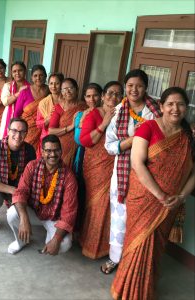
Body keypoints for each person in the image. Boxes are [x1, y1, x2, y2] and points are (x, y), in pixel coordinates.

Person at [111, 87, 195, 300]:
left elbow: (194, 172)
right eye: (170, 104)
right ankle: (126, 290)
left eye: (181, 104)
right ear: (161, 106)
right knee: (137, 244)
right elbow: (137, 164)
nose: (175, 109)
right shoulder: (148, 127)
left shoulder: (189, 137)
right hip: (144, 198)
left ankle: (144, 290)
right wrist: (160, 195)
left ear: (187, 108)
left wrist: (182, 197)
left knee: (156, 247)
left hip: (171, 204)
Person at [101, 69, 161, 274]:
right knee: (119, 216)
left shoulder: (155, 111)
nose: (134, 90)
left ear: (146, 88)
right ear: (125, 87)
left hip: (150, 172)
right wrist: (132, 141)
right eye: (130, 86)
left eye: (139, 86)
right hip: (123, 173)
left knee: (142, 217)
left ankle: (136, 261)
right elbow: (109, 146)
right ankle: (115, 258)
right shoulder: (118, 111)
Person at [6, 134, 78, 255]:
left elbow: (69, 213)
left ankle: (50, 239)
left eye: (56, 150)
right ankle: (21, 241)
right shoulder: (32, 166)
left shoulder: (69, 177)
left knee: (64, 244)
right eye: (48, 151)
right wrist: (24, 219)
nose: (53, 154)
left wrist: (56, 239)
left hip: (54, 218)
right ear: (42, 152)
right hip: (33, 212)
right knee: (12, 213)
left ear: (61, 152)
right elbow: (21, 192)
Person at [78, 81, 123, 259]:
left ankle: (104, 246)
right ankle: (88, 243)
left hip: (115, 166)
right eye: (110, 93)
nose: (114, 97)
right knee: (95, 204)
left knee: (109, 205)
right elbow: (85, 141)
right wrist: (104, 123)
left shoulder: (123, 115)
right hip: (95, 166)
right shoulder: (94, 114)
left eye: (118, 94)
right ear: (103, 96)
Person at [0, 118, 36, 232]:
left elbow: (31, 177)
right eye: (14, 130)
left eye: (22, 132)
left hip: (17, 187)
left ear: (26, 133)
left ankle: (13, 205)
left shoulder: (29, 150)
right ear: (8, 131)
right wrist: (12, 190)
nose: (18, 135)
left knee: (32, 202)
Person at [73, 82, 102, 230]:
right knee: (82, 189)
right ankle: (78, 227)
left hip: (103, 160)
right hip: (83, 156)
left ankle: (92, 229)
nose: (92, 99)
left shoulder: (107, 114)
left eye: (95, 95)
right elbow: (78, 139)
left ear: (101, 96)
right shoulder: (80, 115)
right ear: (84, 98)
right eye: (88, 96)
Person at [48, 78, 86, 168]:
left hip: (79, 148)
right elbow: (51, 131)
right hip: (62, 147)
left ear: (76, 89)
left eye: (70, 88)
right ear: (61, 91)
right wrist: (70, 127)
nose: (67, 91)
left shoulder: (84, 107)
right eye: (64, 89)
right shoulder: (58, 107)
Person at [14, 64, 49, 151]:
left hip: (44, 129)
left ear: (45, 76)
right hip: (27, 130)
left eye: (41, 75)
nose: (38, 78)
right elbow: (17, 113)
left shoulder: (50, 91)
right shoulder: (25, 92)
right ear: (32, 78)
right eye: (35, 76)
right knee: (26, 152)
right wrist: (18, 130)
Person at [36, 72, 64, 158]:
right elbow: (38, 123)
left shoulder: (66, 101)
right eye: (51, 83)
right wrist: (47, 120)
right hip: (47, 137)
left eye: (57, 83)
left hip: (63, 136)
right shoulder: (43, 103)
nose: (54, 86)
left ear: (62, 85)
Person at [0, 61, 30, 139]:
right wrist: (19, 93)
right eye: (14, 71)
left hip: (25, 120)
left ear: (25, 71)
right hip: (8, 118)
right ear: (12, 73)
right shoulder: (8, 86)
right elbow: (5, 102)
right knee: (6, 142)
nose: (17, 73)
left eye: (20, 70)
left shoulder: (30, 87)